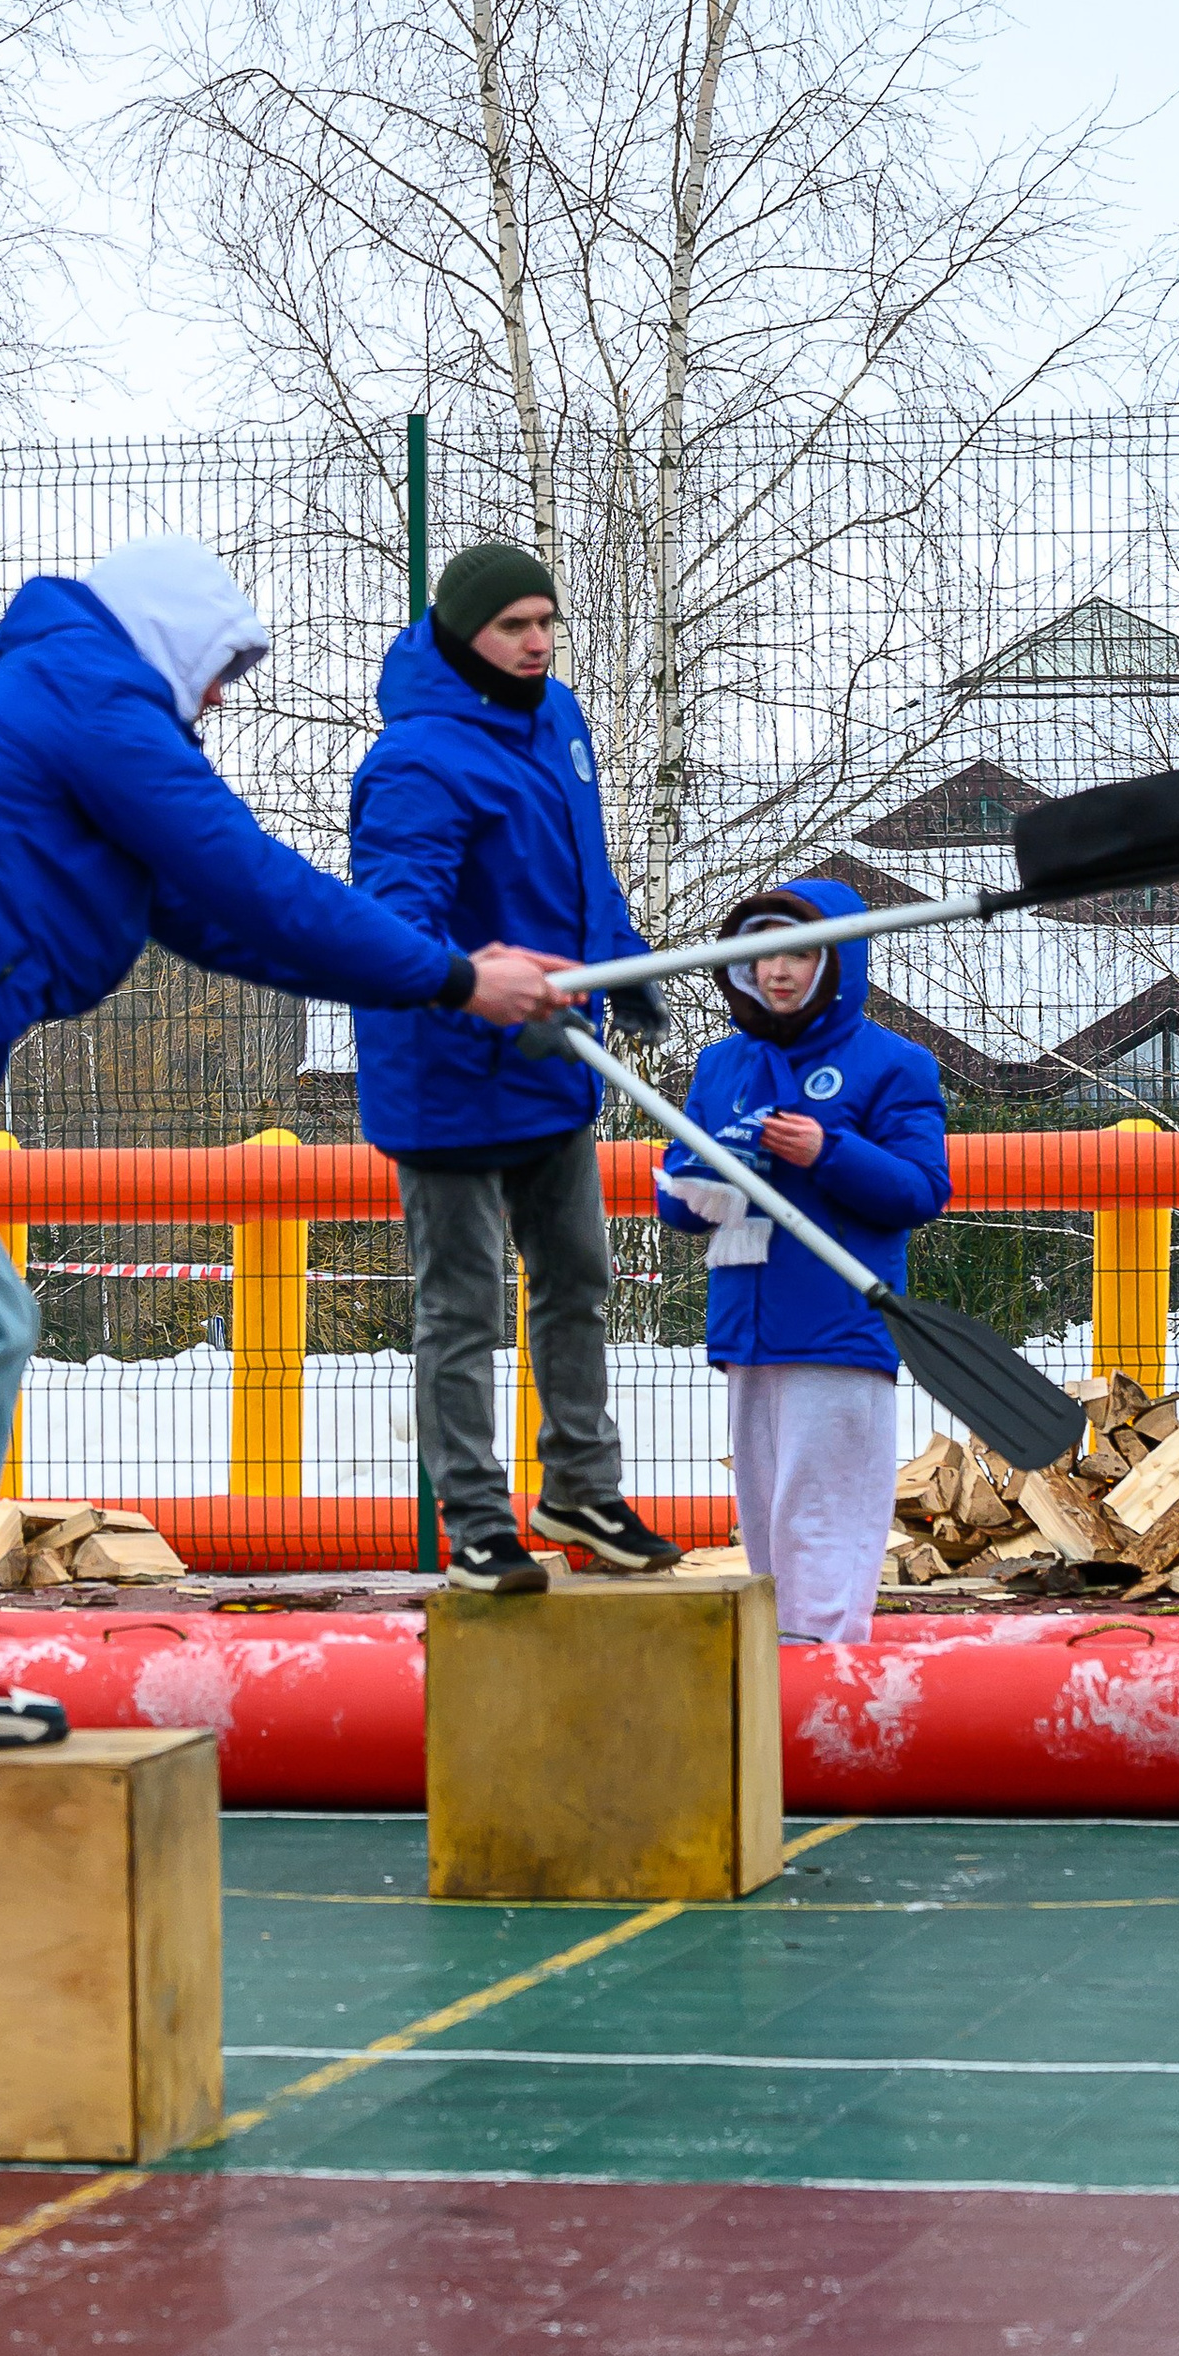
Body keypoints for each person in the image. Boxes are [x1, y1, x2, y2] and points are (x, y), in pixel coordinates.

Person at [0, 531, 562, 1765]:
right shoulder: (94, 700)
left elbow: (234, 926)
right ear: (168, 642)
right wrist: (458, 973)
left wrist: (443, 979)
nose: (217, 701)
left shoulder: (87, 725)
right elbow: (249, 876)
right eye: (216, 673)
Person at [348, 541, 684, 1593]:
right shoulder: (414, 762)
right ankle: (477, 1518)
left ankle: (579, 1486)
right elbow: (394, 927)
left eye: (547, 621)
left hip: (553, 1057)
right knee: (459, 1307)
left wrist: (621, 959)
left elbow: (585, 872)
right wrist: (474, 985)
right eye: (513, 626)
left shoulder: (562, 719)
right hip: (447, 1069)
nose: (537, 642)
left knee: (576, 1280)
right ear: (462, 634)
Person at [654, 882, 950, 1647]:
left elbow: (921, 1189)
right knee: (767, 1518)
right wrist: (714, 1171)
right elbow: (678, 1205)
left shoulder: (893, 1064)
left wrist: (829, 1151)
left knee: (821, 1514)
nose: (777, 969)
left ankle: (825, 1682)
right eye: (762, 952)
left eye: (798, 951)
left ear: (837, 961)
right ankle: (782, 1682)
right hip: (747, 1334)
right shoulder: (721, 1066)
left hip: (838, 1329)